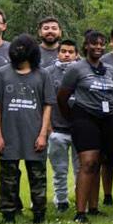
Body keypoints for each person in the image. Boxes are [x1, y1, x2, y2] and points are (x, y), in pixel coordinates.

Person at [0, 35, 51, 224]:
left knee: (38, 176)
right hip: (8, 134)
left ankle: (39, 213)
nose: (19, 51)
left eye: (24, 48)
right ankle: (8, 213)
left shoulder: (43, 75)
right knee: (8, 177)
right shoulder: (1, 74)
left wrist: (43, 134)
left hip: (34, 134)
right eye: (17, 48)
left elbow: (48, 105)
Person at [58, 31, 113, 223]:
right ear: (86, 46)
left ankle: (94, 207)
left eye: (102, 44)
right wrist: (73, 117)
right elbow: (62, 96)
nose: (98, 47)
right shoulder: (76, 68)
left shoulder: (111, 70)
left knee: (99, 162)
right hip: (84, 117)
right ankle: (80, 211)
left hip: (106, 118)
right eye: (94, 44)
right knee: (88, 162)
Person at [44, 40, 80, 213]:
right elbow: (45, 102)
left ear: (77, 54)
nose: (67, 54)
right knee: (59, 169)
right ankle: (61, 199)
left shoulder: (83, 71)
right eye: (63, 51)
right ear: (57, 53)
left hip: (80, 129)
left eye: (71, 52)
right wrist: (49, 128)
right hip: (57, 129)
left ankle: (82, 198)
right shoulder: (48, 73)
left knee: (81, 169)